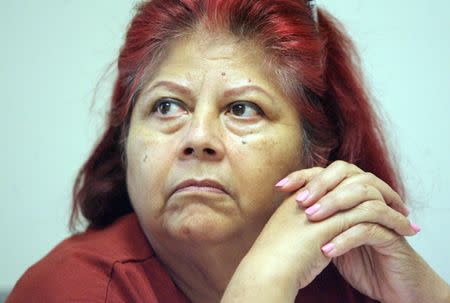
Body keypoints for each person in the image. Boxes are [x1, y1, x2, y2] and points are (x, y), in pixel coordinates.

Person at [6, 0, 450, 302]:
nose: (197, 137)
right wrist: (260, 286)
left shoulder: (350, 275)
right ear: (124, 143)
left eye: (242, 108)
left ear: (315, 153)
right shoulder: (71, 288)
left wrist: (427, 295)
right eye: (166, 106)